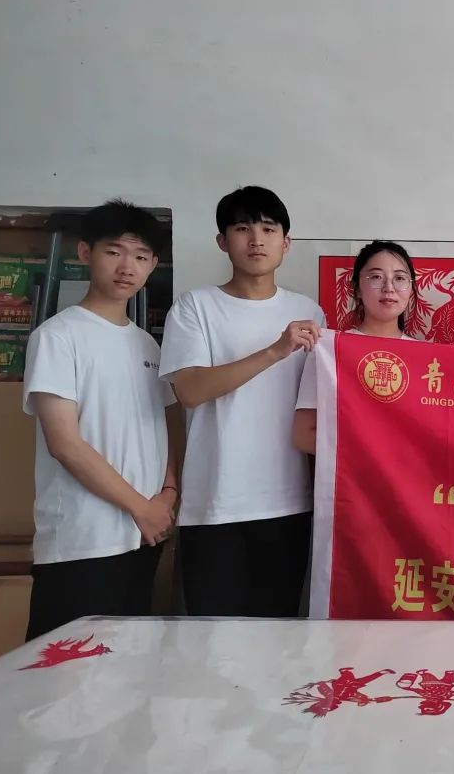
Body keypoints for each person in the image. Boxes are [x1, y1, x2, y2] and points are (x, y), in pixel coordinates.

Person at [159, 186, 325, 618]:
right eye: (242, 228)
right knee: (212, 639)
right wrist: (275, 350)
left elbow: (322, 408)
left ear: (286, 243)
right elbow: (190, 390)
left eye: (268, 229)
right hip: (216, 504)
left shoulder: (308, 311)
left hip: (289, 502)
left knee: (278, 635)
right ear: (222, 241)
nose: (256, 240)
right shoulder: (196, 307)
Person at [22, 199, 177, 639]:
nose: (127, 267)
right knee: (65, 669)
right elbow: (64, 443)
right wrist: (142, 508)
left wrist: (168, 495)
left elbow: (160, 428)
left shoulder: (148, 345)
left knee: (126, 666)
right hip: (82, 542)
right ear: (85, 252)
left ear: (153, 265)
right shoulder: (57, 337)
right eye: (114, 252)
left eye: (141, 256)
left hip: (143, 535)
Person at [293, 240, 419, 455]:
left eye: (399, 278)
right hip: (351, 475)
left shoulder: (426, 358)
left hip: (406, 476)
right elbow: (303, 435)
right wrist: (375, 455)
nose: (389, 288)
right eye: (376, 277)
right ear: (357, 289)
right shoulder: (328, 351)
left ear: (411, 289)